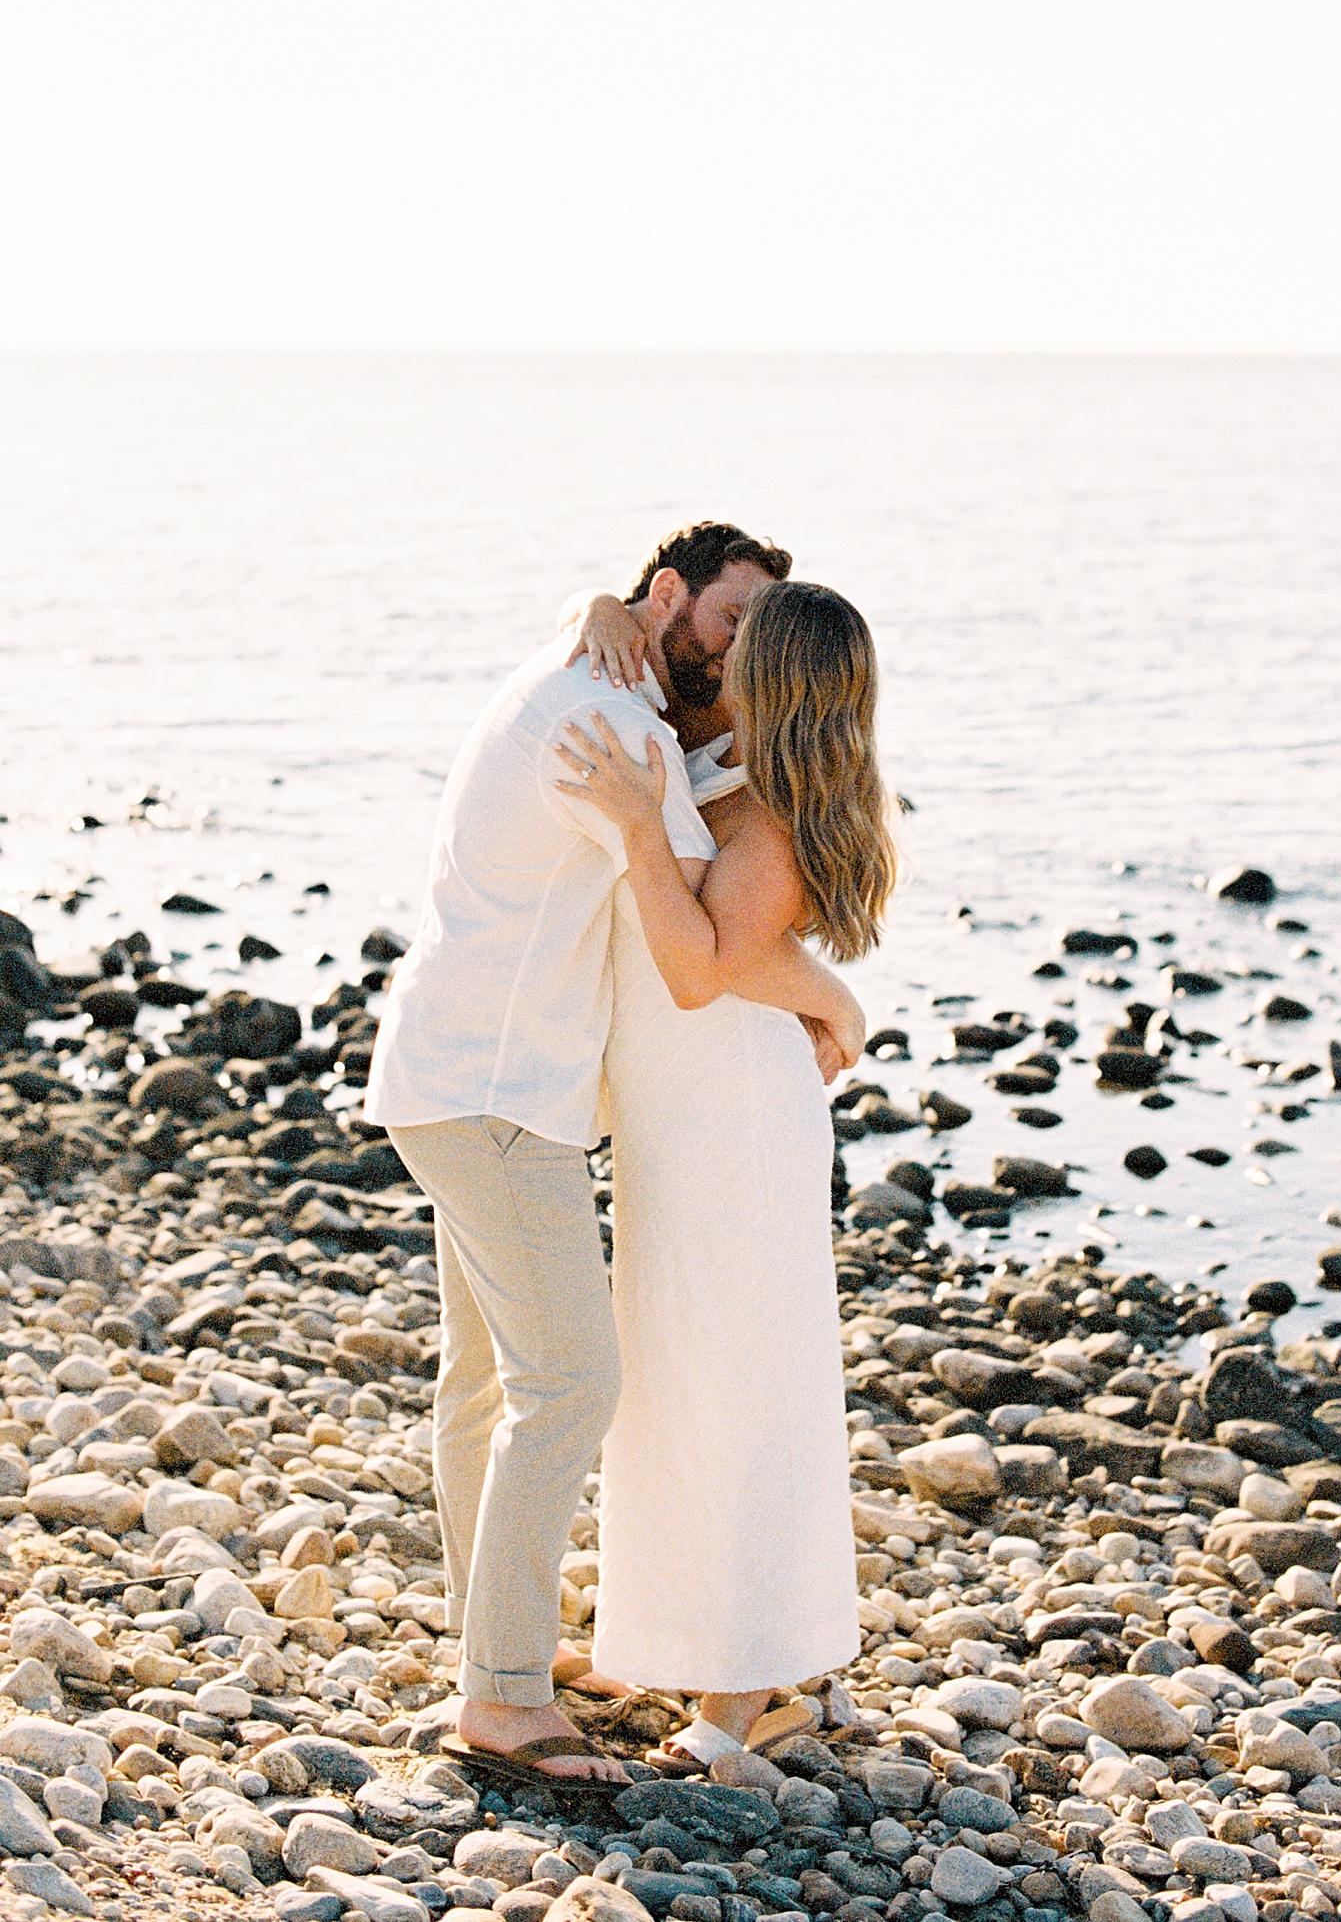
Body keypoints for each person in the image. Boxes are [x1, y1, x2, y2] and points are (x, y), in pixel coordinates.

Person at [365, 525, 865, 1792]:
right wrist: (835, 1004)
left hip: (462, 1070)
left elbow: (712, 925)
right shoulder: (631, 736)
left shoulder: (580, 680)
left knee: (487, 1381)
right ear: (664, 600)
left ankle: (503, 1652)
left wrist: (596, 608)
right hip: (496, 1092)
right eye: (735, 617)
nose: (744, 644)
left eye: (764, 631)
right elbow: (709, 948)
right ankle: (506, 1690)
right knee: (573, 1383)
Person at [554, 577, 898, 1771]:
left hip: (739, 1128)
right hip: (683, 1119)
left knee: (744, 1389)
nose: (723, 644)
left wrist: (641, 826)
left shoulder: (776, 818)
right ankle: (673, 1633)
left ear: (782, 675)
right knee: (672, 1380)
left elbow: (701, 968)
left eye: (747, 637)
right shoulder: (728, 766)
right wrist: (603, 603)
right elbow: (622, 640)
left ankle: (748, 1691)